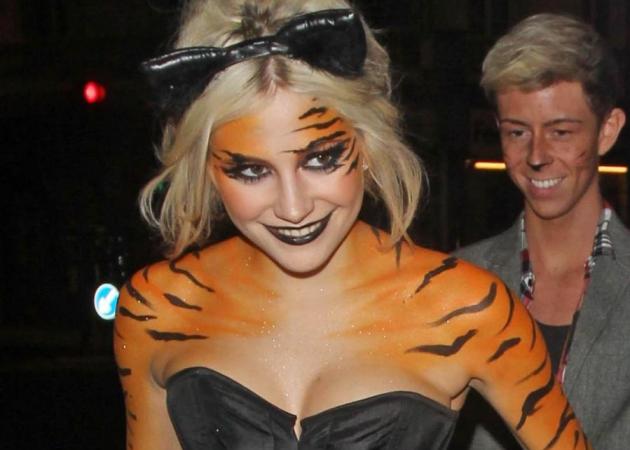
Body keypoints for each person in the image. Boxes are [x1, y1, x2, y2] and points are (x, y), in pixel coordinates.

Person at [114, 2, 591, 449]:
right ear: (207, 169)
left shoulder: (468, 309)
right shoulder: (156, 310)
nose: (294, 207)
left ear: (366, 143)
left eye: (321, 159)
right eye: (252, 171)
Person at [450, 12, 628, 450]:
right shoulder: (455, 283)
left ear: (607, 131)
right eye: (517, 132)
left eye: (560, 132)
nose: (536, 155)